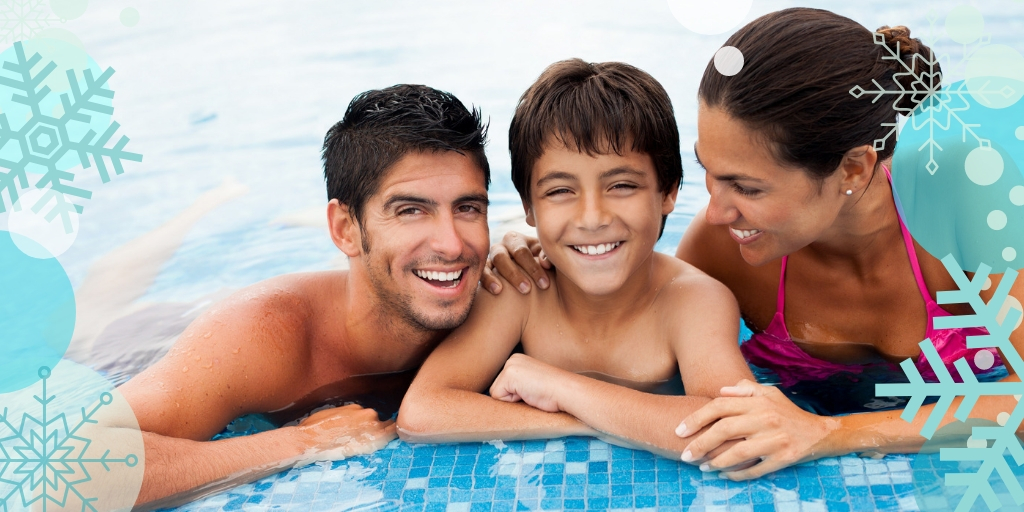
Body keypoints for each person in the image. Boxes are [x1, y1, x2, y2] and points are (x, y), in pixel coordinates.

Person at [484, 8, 1024, 479]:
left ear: (854, 167)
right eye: (707, 173)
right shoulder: (722, 248)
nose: (714, 211)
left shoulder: (971, 213)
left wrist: (829, 433)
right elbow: (642, 324)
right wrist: (528, 251)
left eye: (746, 186)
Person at [117, 84, 493, 507]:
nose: (453, 244)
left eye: (468, 208)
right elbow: (62, 470)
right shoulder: (261, 336)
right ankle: (203, 206)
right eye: (410, 210)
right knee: (101, 310)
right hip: (137, 338)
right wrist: (302, 442)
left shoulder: (498, 289)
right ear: (344, 229)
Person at [397, 59, 753, 458]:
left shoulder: (693, 301)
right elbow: (421, 412)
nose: (592, 218)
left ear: (668, 191)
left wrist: (561, 388)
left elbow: (736, 432)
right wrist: (587, 420)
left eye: (621, 185)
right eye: (560, 191)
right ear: (529, 208)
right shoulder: (518, 289)